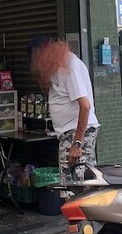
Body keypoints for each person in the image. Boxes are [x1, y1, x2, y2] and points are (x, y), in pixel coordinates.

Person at [29, 37, 99, 180]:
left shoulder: (70, 66)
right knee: (73, 182)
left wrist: (77, 143)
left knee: (75, 183)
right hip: (69, 133)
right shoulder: (57, 67)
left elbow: (85, 106)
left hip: (76, 134)